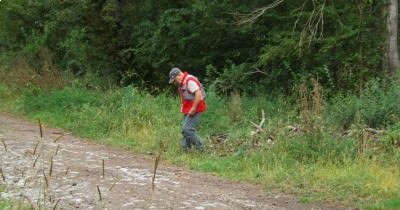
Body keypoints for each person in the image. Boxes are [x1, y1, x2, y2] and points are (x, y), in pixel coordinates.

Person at [169, 67, 206, 152]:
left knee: (188, 129)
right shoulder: (183, 83)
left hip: (196, 107)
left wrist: (193, 108)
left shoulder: (189, 80)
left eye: (174, 80)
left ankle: (200, 149)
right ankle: (184, 150)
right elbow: (187, 98)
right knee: (184, 130)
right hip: (189, 108)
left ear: (179, 75)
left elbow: (198, 94)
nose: (175, 82)